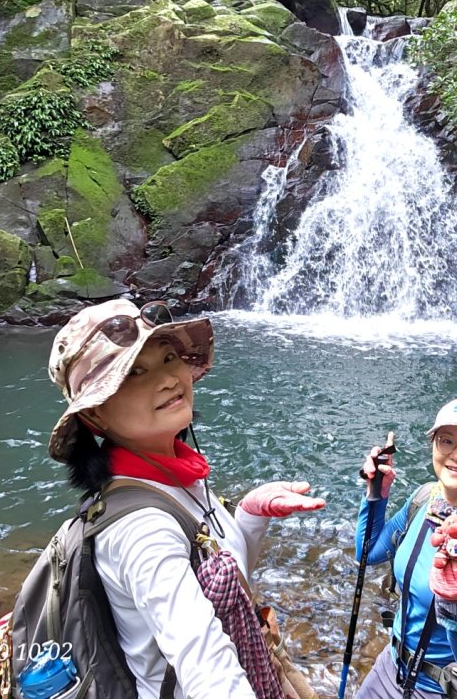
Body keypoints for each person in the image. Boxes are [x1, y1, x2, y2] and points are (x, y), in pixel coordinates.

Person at [47, 298, 326, 698]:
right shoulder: (142, 528)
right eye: (134, 373)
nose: (167, 379)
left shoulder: (171, 477)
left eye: (168, 358)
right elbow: (204, 663)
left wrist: (249, 513)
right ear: (95, 416)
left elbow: (224, 579)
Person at [355, 398, 457, 699]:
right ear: (433, 446)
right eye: (447, 441)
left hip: (441, 689)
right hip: (390, 667)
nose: (456, 455)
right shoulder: (423, 499)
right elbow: (368, 554)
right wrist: (376, 493)